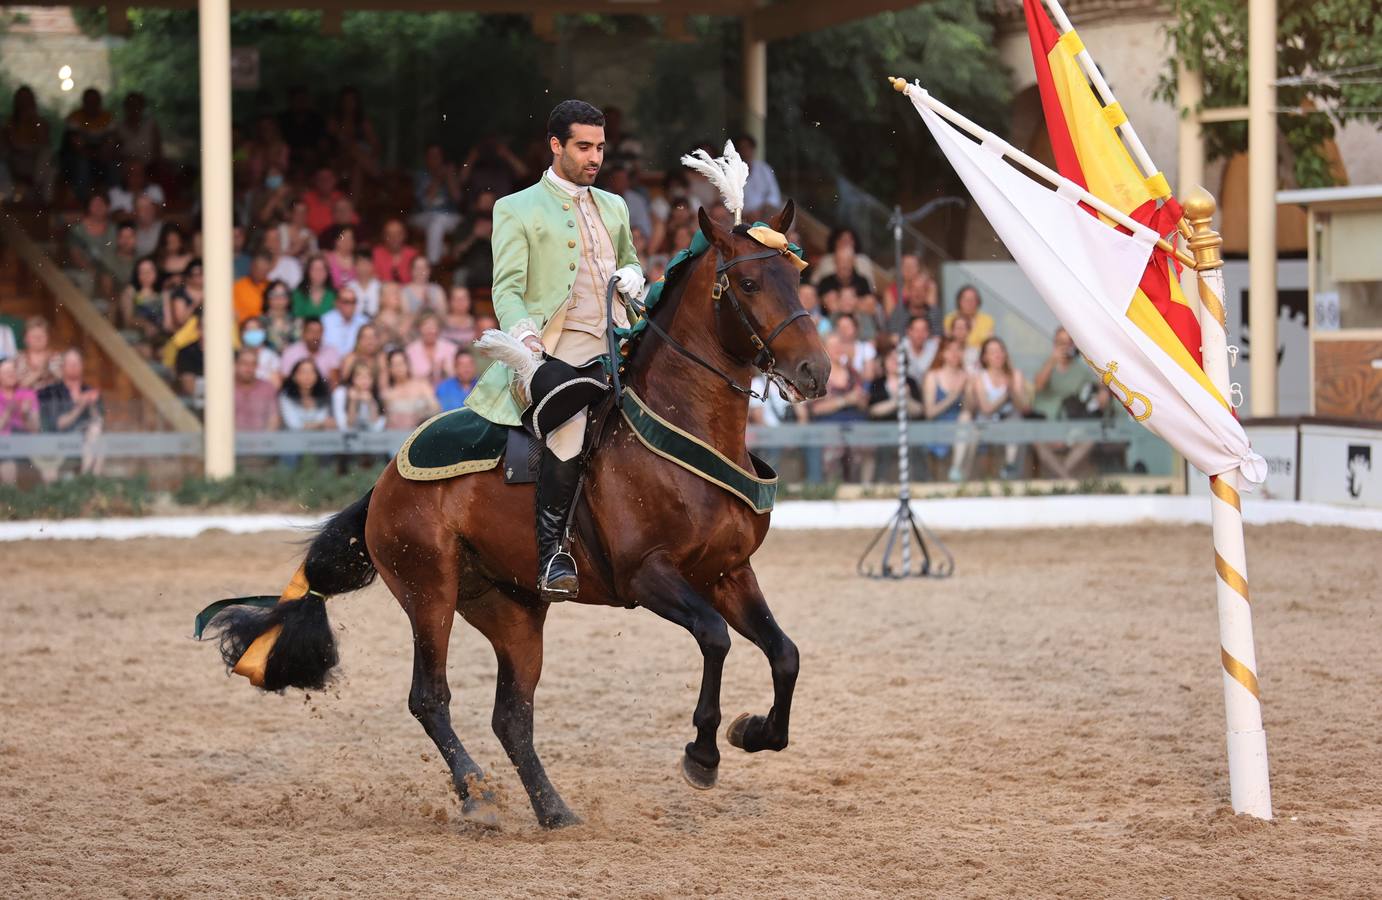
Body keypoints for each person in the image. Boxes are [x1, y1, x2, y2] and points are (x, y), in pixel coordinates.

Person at [464, 99, 643, 601]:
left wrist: (635, 277)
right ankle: (553, 556)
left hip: (620, 339)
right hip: (556, 347)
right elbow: (506, 290)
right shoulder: (515, 207)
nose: (595, 158)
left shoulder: (615, 206)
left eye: (600, 148)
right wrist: (525, 342)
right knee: (569, 424)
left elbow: (630, 262)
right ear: (555, 145)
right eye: (584, 147)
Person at [1031, 327, 1099, 480]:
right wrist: (1052, 361)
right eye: (1061, 342)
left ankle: (1061, 479)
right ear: (1054, 344)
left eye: (1069, 342)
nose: (1065, 346)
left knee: (1090, 439)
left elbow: (1091, 400)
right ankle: (1067, 480)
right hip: (1047, 424)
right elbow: (1038, 385)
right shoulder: (1046, 364)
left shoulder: (1082, 371)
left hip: (1071, 427)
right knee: (1037, 442)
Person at [963, 336, 1030, 480]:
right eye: (993, 351)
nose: (998, 354)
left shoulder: (1015, 374)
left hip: (1008, 421)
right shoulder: (980, 377)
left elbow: (1023, 407)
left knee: (1015, 422)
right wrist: (1006, 395)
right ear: (985, 357)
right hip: (985, 423)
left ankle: (1010, 467)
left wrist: (1014, 392)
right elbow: (986, 409)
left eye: (1000, 350)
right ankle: (965, 475)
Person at [36, 348, 104, 481]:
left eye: (77, 363)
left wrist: (92, 406)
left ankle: (87, 482)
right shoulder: (51, 392)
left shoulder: (90, 391)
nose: (74, 366)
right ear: (62, 367)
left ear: (82, 366)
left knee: (99, 438)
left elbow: (99, 422)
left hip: (85, 443)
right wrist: (80, 407)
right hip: (57, 443)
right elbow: (58, 424)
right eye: (70, 363)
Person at [923, 337, 969, 480]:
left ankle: (956, 470)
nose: (955, 354)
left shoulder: (966, 376)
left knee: (966, 418)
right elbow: (929, 412)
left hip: (960, 429)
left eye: (958, 350)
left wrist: (969, 389)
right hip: (938, 427)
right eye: (950, 350)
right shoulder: (932, 376)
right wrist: (954, 395)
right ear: (942, 353)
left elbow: (969, 408)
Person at [410, 143, 464, 264]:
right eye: (431, 156)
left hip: (449, 216)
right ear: (426, 158)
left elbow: (458, 198)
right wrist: (438, 178)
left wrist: (450, 178)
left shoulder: (450, 173)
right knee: (436, 221)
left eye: (437, 156)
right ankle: (433, 264)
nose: (435, 160)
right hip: (423, 215)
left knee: (462, 223)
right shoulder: (421, 175)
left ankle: (452, 260)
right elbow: (426, 203)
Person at [1, 86, 55, 204]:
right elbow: (9, 146)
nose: (24, 103)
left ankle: (45, 205)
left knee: (49, 165)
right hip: (15, 161)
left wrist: (34, 119)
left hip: (36, 164)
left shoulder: (40, 123)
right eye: (22, 99)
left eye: (27, 99)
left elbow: (45, 143)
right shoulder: (9, 124)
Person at [61, 88, 115, 201]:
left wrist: (102, 153)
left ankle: (113, 199)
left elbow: (111, 141)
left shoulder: (107, 117)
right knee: (82, 164)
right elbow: (76, 144)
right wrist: (92, 154)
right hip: (79, 157)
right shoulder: (75, 117)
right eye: (89, 101)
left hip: (102, 156)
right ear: (84, 102)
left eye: (95, 101)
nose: (92, 104)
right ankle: (82, 200)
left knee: (114, 165)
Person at [0, 357, 40, 484]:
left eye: (13, 371)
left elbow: (35, 429)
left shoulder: (28, 394)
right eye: (6, 372)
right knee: (8, 464)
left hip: (24, 446)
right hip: (3, 448)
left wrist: (26, 414)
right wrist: (8, 412)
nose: (11, 375)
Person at [380, 348, 439, 431]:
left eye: (401, 363)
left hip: (421, 432)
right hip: (397, 435)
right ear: (390, 368)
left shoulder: (422, 385)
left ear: (407, 364)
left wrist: (421, 415)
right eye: (394, 365)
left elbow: (436, 408)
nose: (398, 368)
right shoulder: (388, 394)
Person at [278, 358, 335, 433]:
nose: (308, 375)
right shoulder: (285, 397)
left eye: (312, 372)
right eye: (303, 372)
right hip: (293, 440)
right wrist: (321, 424)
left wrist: (319, 424)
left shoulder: (324, 395)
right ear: (294, 377)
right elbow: (294, 425)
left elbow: (326, 420)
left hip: (319, 440)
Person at [280, 317, 342, 386]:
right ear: (303, 333)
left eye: (318, 332)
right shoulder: (290, 352)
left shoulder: (331, 352)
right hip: (296, 393)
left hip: (323, 393)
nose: (315, 336)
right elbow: (285, 380)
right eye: (311, 331)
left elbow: (334, 381)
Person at [404, 311, 458, 386]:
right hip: (419, 393)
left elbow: (458, 375)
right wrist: (428, 374)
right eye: (426, 327)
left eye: (433, 327)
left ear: (438, 329)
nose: (429, 330)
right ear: (419, 329)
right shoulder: (410, 350)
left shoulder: (451, 348)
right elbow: (407, 378)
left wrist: (445, 372)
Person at [233, 347, 280, 432]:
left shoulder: (267, 388)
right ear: (236, 364)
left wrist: (264, 440)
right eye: (244, 363)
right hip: (231, 442)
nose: (249, 368)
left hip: (263, 441)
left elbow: (273, 419)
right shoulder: (226, 389)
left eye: (253, 364)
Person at [333, 358, 386, 433]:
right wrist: (353, 402)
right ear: (352, 378)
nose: (364, 380)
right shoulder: (341, 393)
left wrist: (370, 403)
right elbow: (345, 426)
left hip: (372, 440)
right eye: (359, 376)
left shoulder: (376, 394)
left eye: (368, 376)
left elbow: (376, 426)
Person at [737, 134, 781, 221]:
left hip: (765, 213)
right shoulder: (731, 173)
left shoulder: (764, 169)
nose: (745, 152)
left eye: (748, 148)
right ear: (737, 152)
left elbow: (774, 194)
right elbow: (726, 201)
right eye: (742, 148)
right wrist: (746, 214)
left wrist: (762, 209)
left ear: (753, 150)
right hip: (741, 218)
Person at [321, 285, 369, 357]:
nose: (350, 305)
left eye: (353, 302)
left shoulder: (364, 322)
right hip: (329, 363)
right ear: (337, 303)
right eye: (346, 302)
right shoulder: (325, 321)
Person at [943, 284, 996, 348]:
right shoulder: (949, 319)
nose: (969, 303)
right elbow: (949, 344)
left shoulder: (987, 320)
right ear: (959, 301)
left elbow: (988, 345)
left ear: (978, 302)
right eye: (965, 299)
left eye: (972, 299)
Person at [16, 317, 60, 391]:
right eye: (34, 336)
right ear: (25, 339)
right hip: (27, 400)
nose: (38, 339)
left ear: (48, 337)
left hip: (52, 399)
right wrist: (40, 371)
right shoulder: (17, 358)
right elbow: (16, 388)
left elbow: (66, 382)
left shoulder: (56, 357)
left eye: (41, 336)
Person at [372, 217, 419, 283]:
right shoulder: (375, 254)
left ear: (405, 235)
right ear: (384, 236)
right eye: (389, 234)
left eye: (398, 234)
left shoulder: (413, 254)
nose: (394, 238)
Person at [239, 316, 282, 387]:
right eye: (249, 330)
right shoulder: (236, 356)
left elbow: (276, 384)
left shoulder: (272, 356)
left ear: (263, 332)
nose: (253, 332)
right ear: (242, 333)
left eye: (256, 329)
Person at [233, 251, 274, 324]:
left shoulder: (271, 287)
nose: (260, 273)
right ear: (251, 266)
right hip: (245, 328)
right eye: (259, 269)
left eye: (264, 271)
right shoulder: (237, 287)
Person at [292, 255, 337, 319]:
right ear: (308, 272)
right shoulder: (299, 294)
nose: (318, 272)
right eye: (314, 269)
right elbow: (297, 318)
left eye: (322, 269)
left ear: (327, 272)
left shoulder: (334, 295)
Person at [371, 282, 413, 348]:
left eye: (398, 292)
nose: (397, 295)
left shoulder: (407, 319)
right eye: (392, 293)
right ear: (382, 298)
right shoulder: (376, 321)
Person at [260, 280, 297, 352]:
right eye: (274, 294)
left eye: (283, 294)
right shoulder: (260, 322)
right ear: (267, 298)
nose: (278, 298)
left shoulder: (297, 321)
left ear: (289, 298)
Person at [901, 315, 940, 383]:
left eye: (924, 330)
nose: (920, 334)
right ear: (909, 331)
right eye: (916, 330)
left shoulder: (935, 347)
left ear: (928, 332)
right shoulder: (901, 347)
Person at [347, 251, 381, 317]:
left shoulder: (380, 287)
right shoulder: (349, 288)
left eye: (367, 264)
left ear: (372, 266)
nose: (364, 268)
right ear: (355, 266)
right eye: (361, 264)